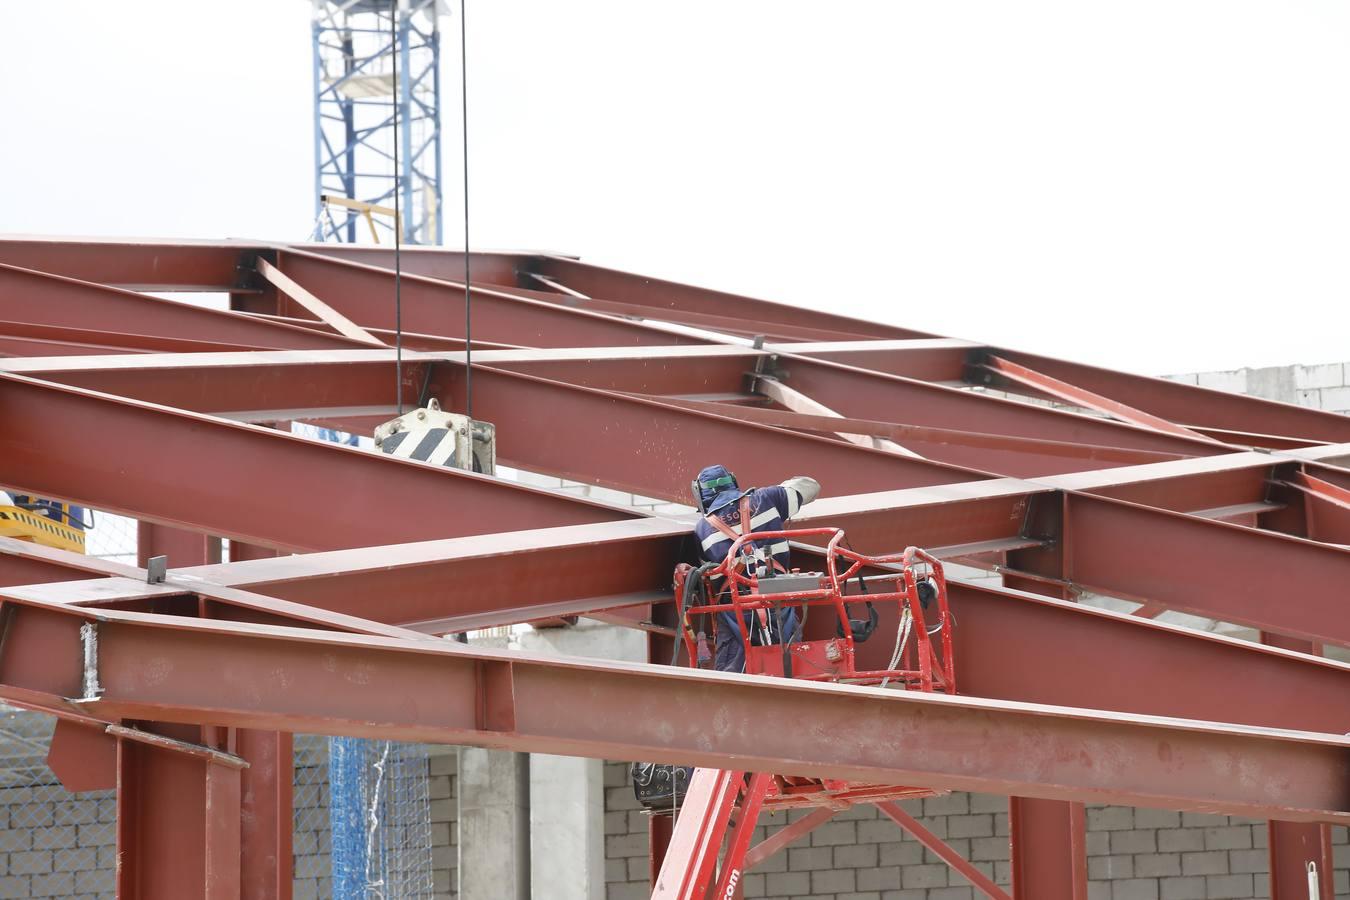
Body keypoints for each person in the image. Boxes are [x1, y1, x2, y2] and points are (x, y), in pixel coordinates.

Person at [691, 465, 820, 674]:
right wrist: (780, 490)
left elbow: (709, 578)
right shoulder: (768, 497)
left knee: (731, 679)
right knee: (794, 669)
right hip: (779, 599)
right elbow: (811, 486)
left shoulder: (702, 529)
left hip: (736, 612)